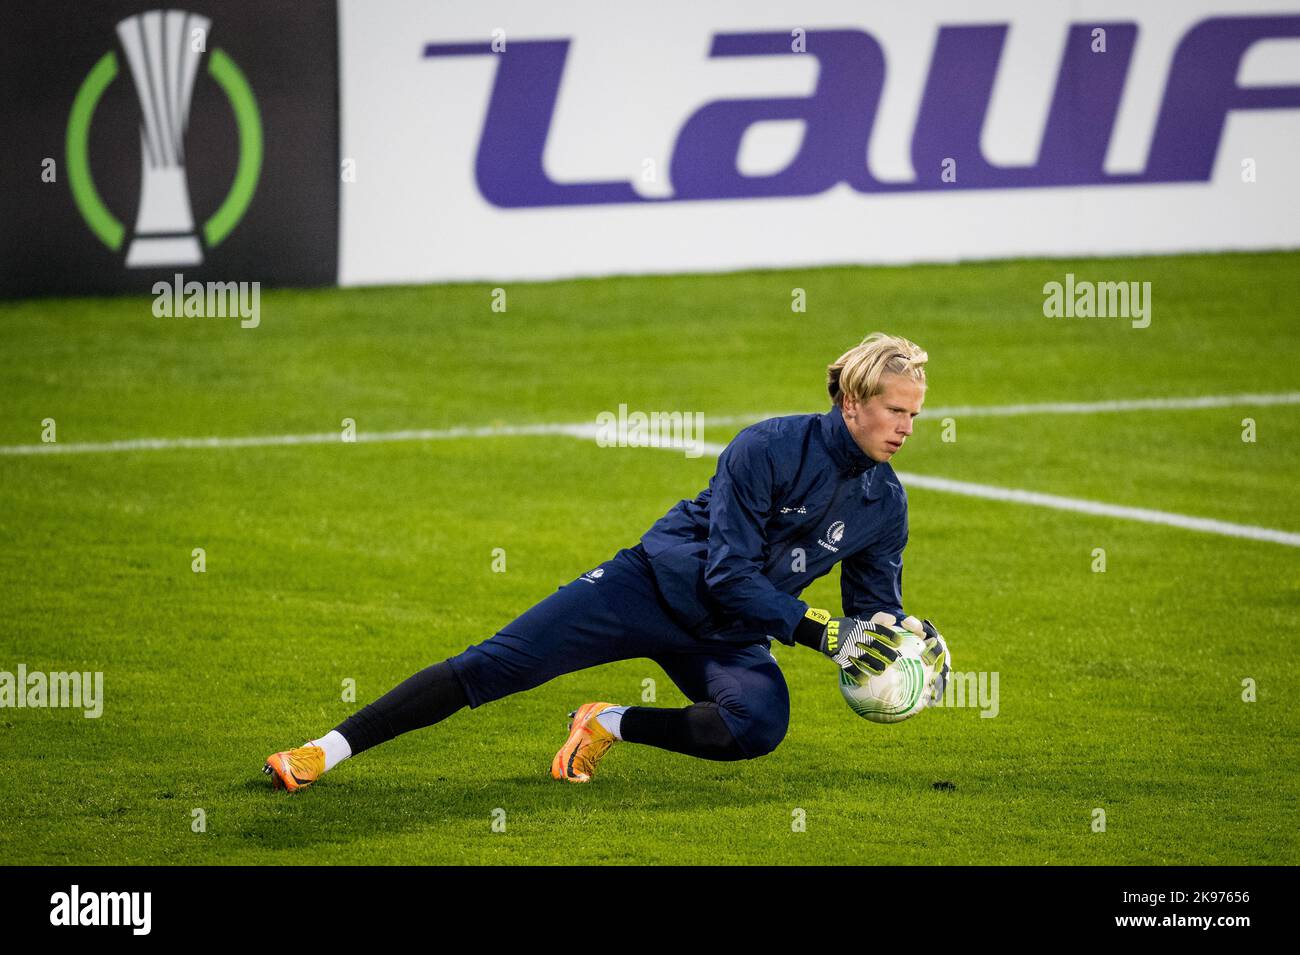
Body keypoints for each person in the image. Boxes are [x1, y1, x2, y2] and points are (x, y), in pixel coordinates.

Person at [264, 332, 950, 790]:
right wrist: (819, 631)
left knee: (758, 726)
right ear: (854, 400)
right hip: (646, 588)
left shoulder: (884, 503)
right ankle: (324, 750)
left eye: (915, 415)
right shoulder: (766, 447)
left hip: (725, 637)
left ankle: (607, 721)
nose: (906, 429)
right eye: (896, 410)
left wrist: (908, 645)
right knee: (492, 666)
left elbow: (870, 613)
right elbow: (728, 574)